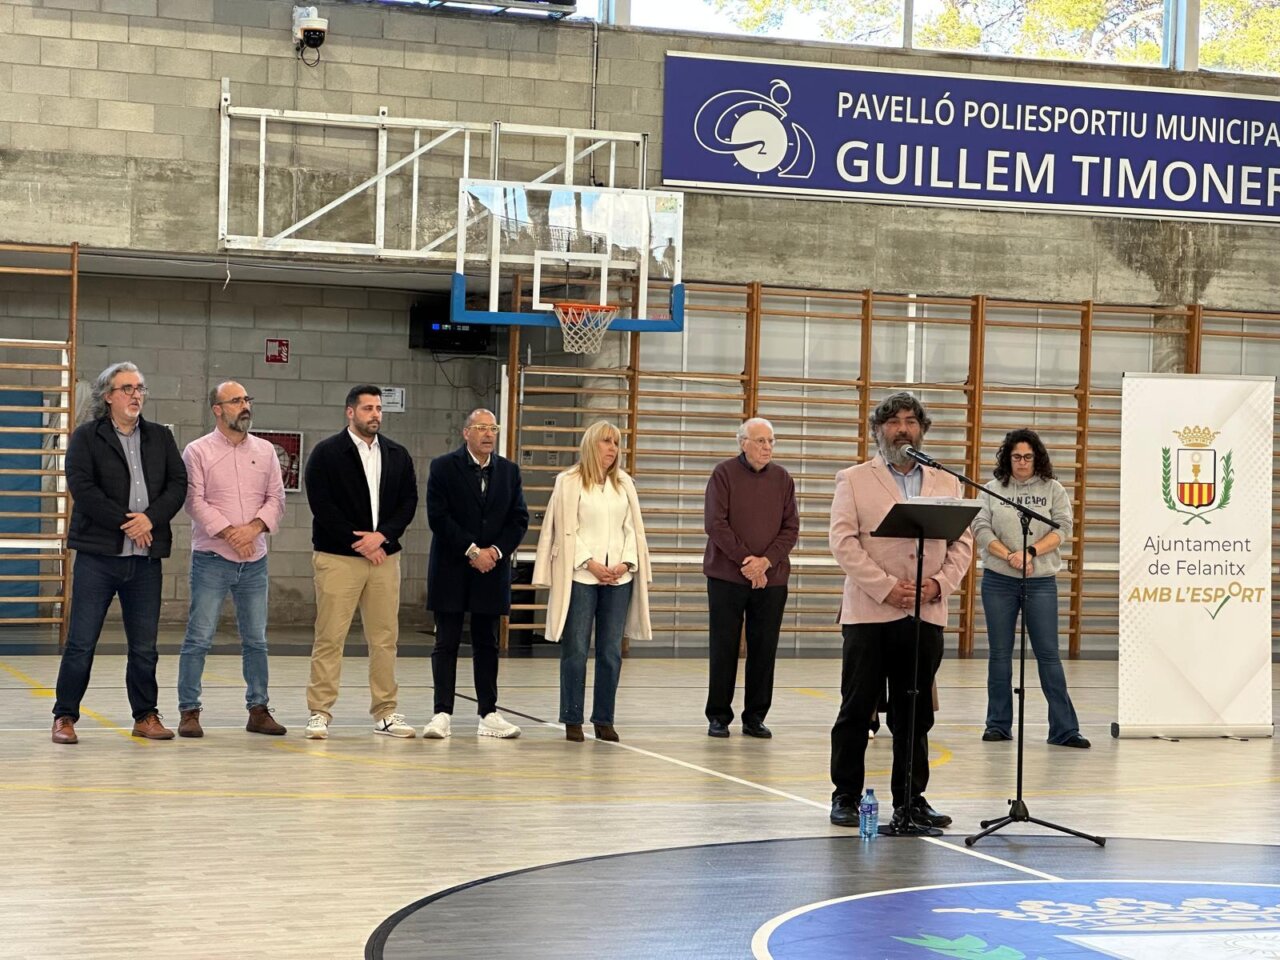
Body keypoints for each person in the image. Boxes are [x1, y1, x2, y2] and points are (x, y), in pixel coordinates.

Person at [827, 392, 973, 830]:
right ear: (878, 430)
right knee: (857, 709)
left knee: (916, 714)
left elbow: (962, 544)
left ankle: (911, 799)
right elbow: (843, 543)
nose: (902, 429)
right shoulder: (854, 479)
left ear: (922, 429)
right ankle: (846, 796)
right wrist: (886, 587)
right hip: (870, 614)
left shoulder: (946, 481)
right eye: (893, 422)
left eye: (910, 421)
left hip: (925, 614)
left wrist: (938, 584)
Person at [51, 362, 188, 744]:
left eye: (140, 388)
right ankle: (64, 716)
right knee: (81, 642)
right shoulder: (86, 436)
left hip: (145, 561)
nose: (136, 395)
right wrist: (129, 522)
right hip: (98, 558)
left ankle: (145, 715)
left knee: (144, 647)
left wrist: (150, 520)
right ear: (107, 396)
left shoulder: (160, 437)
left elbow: (178, 484)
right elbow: (82, 487)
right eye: (127, 388)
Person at [303, 385, 419, 740]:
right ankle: (320, 712)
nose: (375, 415)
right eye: (368, 408)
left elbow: (409, 502)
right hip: (338, 558)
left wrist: (382, 536)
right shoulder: (326, 453)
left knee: (385, 638)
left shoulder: (397, 454)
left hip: (384, 557)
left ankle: (385, 712)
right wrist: (362, 544)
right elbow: (322, 506)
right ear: (350, 412)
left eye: (379, 408)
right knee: (330, 637)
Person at [176, 381, 287, 738]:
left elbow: (276, 499)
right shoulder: (197, 451)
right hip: (212, 558)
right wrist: (230, 534)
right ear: (218, 409)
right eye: (236, 400)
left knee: (256, 640)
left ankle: (259, 709)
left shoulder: (266, 451)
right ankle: (189, 711)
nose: (245, 406)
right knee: (199, 637)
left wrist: (252, 530)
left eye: (246, 399)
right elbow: (194, 501)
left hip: (254, 560)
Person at [533, 420, 652, 742]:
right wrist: (591, 563)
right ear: (591, 444)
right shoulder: (569, 482)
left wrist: (625, 563)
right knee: (575, 648)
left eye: (616, 443)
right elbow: (565, 530)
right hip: (581, 576)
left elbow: (633, 530)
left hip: (619, 579)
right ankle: (572, 717)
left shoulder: (624, 484)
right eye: (606, 442)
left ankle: (604, 718)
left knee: (611, 651)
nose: (613, 449)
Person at [972, 429, 1089, 748]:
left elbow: (1063, 528)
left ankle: (1064, 729)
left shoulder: (1053, 489)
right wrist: (1009, 555)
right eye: (1016, 457)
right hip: (999, 579)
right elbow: (980, 528)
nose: (1022, 462)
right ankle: (998, 724)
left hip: (1040, 581)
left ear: (1037, 458)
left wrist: (1030, 552)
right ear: (1006, 459)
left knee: (1048, 654)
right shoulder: (992, 490)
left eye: (1027, 456)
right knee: (999, 654)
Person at [423, 408, 529, 740]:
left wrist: (494, 552)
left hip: (492, 570)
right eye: (481, 427)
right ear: (466, 432)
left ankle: (488, 713)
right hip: (452, 567)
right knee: (446, 641)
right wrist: (472, 551)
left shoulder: (509, 472)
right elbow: (438, 518)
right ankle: (442, 713)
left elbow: (519, 519)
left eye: (493, 428)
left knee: (487, 643)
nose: (488, 434)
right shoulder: (443, 467)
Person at [702, 417, 798, 739]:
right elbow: (716, 524)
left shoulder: (783, 479)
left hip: (772, 579)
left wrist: (765, 562)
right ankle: (718, 715)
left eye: (771, 441)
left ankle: (755, 716)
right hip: (727, 577)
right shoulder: (723, 474)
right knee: (724, 647)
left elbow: (791, 528)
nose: (767, 447)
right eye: (760, 441)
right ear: (743, 443)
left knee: (764, 649)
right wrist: (748, 562)